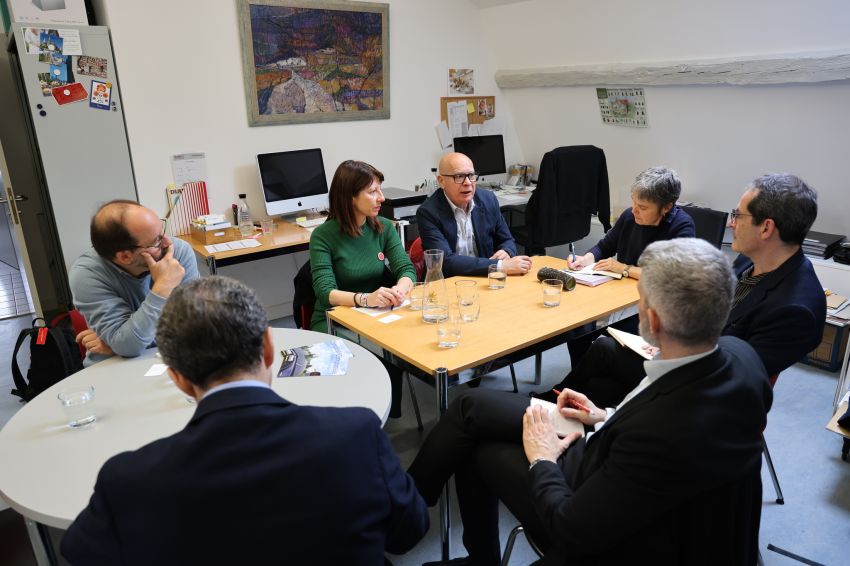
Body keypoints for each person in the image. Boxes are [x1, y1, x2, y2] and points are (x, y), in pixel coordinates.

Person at [408, 239, 771, 566]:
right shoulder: (743, 357)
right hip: (614, 444)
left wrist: (543, 460)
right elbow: (667, 422)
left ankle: (412, 520)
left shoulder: (655, 434)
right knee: (472, 407)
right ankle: (416, 513)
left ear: (654, 318)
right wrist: (604, 415)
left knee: (475, 440)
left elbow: (569, 527)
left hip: (597, 500)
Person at [60, 276, 429, 565]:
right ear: (269, 349)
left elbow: (79, 552)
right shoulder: (356, 434)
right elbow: (409, 532)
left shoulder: (127, 480)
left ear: (178, 379)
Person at [554, 173, 826, 408]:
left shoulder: (796, 309)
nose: (732, 224)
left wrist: (671, 348)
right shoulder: (752, 260)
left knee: (603, 352)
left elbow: (731, 377)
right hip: (686, 353)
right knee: (600, 377)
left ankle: (549, 405)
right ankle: (558, 407)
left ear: (766, 228)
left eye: (738, 215)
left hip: (700, 389)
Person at [309, 160, 417, 416]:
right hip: (334, 318)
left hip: (376, 315)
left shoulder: (383, 227)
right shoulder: (323, 236)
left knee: (399, 347)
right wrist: (367, 299)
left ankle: (385, 414)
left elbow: (407, 269)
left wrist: (400, 290)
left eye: (380, 189)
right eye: (372, 191)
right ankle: (361, 416)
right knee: (368, 355)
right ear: (350, 197)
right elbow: (326, 292)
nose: (381, 197)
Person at [69, 200, 199, 363]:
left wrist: (118, 344)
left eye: (162, 231)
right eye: (156, 242)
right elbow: (128, 345)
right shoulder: (87, 275)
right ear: (125, 257)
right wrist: (162, 287)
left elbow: (195, 328)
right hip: (114, 368)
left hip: (174, 358)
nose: (168, 243)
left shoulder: (178, 252)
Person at [568, 166, 695, 279]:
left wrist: (625, 269)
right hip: (625, 291)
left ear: (666, 207)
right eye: (633, 202)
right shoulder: (629, 216)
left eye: (642, 207)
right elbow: (605, 247)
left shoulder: (682, 226)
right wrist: (585, 260)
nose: (634, 210)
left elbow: (673, 277)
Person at [417, 152, 532, 277]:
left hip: (484, 279)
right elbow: (444, 262)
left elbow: (507, 240)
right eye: (459, 176)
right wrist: (500, 266)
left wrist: (507, 251)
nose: (467, 182)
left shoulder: (488, 199)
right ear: (441, 181)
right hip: (448, 283)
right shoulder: (428, 212)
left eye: (471, 175)